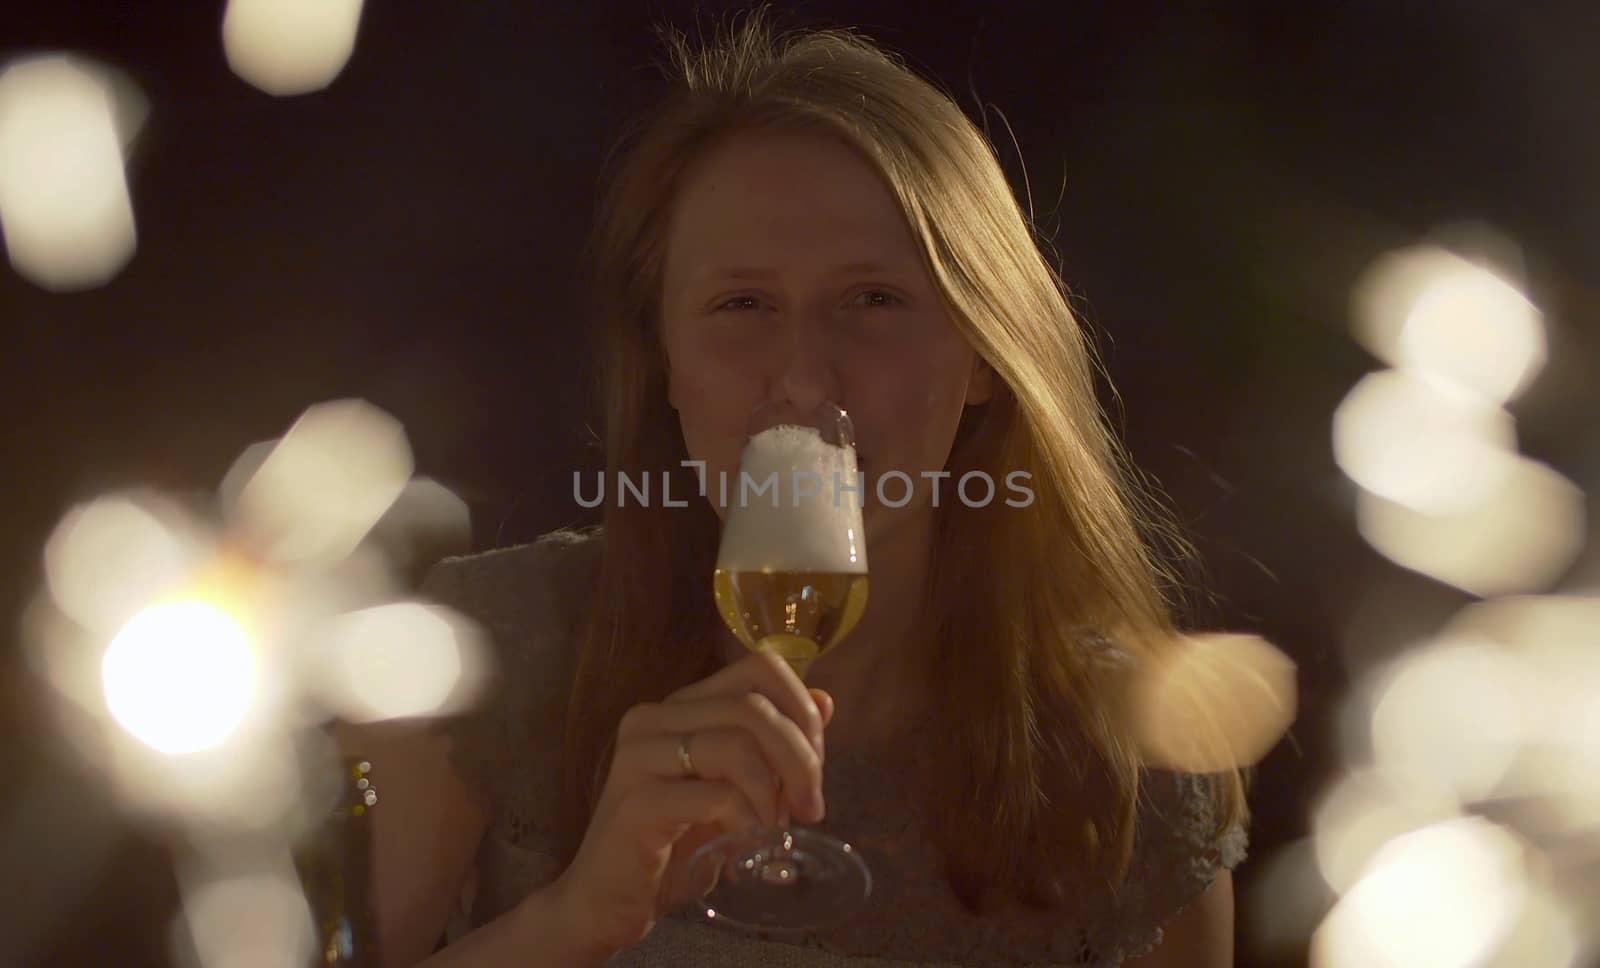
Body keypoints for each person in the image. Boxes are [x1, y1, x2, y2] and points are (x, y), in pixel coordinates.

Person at [355, 8, 1249, 966]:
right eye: (742, 305)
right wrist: (581, 918)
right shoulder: (477, 657)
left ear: (986, 352)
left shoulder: (1139, 764)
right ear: (662, 357)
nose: (806, 381)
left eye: (874, 300)